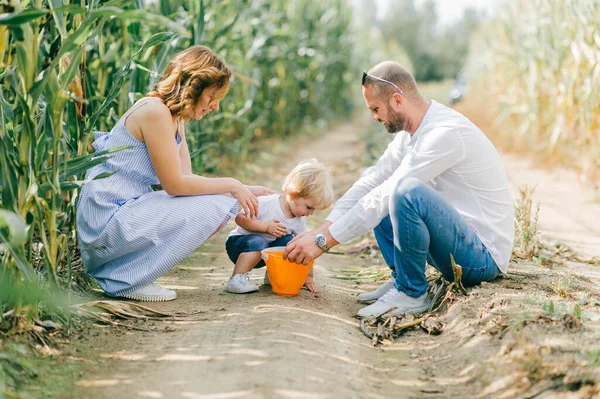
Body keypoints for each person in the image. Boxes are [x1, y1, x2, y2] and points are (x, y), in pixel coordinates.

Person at [283, 61, 514, 317]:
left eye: (375, 109)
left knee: (404, 192)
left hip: (481, 259)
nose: (373, 117)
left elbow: (386, 195)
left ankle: (411, 292)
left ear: (396, 100)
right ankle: (401, 278)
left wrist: (323, 243)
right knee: (376, 179)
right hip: (454, 244)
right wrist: (321, 231)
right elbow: (371, 182)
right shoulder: (409, 135)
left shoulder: (444, 133)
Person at [77, 45, 272, 302]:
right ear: (194, 86)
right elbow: (175, 185)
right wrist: (232, 185)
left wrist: (241, 189)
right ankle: (126, 279)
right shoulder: (155, 112)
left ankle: (129, 274)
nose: (215, 107)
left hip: (125, 208)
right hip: (107, 216)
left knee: (219, 203)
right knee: (215, 207)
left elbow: (188, 182)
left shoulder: (174, 117)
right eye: (213, 97)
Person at [225, 159, 334, 294]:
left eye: (314, 210)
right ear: (293, 194)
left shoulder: (299, 220)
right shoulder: (267, 203)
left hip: (263, 254)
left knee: (290, 242)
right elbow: (240, 218)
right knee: (259, 241)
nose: (310, 213)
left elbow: (304, 247)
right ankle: (236, 279)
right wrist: (264, 227)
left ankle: (274, 276)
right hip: (239, 245)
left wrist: (309, 277)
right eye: (309, 207)